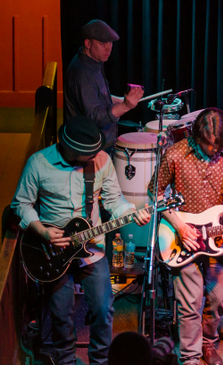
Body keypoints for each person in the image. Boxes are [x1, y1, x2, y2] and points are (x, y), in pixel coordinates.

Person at [11, 117, 151, 364]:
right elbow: (21, 204)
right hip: (51, 251)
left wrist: (131, 212)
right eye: (85, 154)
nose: (92, 157)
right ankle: (65, 360)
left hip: (92, 249)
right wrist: (41, 230)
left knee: (103, 310)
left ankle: (100, 360)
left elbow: (113, 201)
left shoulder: (101, 161)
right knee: (61, 314)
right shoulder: (39, 163)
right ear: (68, 149)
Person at [148, 108, 223, 365]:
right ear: (195, 137)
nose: (213, 149)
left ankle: (208, 343)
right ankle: (190, 357)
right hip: (184, 236)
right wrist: (179, 225)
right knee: (188, 302)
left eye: (217, 145)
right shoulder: (176, 153)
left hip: (217, 235)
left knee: (217, 299)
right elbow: (156, 194)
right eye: (207, 145)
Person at [64, 19, 144, 152]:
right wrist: (125, 106)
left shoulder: (94, 61)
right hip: (89, 148)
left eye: (110, 43)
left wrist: (119, 100)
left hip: (101, 142)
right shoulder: (82, 73)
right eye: (102, 43)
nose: (108, 48)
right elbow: (94, 117)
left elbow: (97, 96)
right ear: (88, 43)